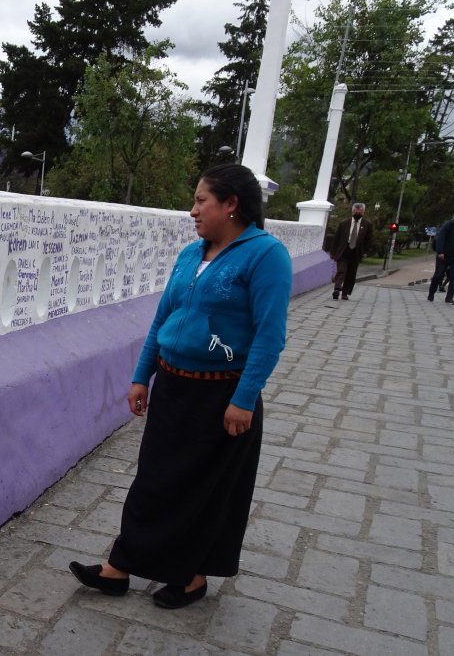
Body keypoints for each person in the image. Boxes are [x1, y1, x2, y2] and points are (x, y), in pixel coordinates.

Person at [68, 164, 292, 609]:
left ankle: (192, 576)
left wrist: (244, 399)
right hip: (173, 386)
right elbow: (163, 318)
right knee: (154, 481)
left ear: (231, 204)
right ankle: (119, 567)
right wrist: (142, 376)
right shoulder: (191, 254)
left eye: (201, 200)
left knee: (203, 490)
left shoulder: (266, 256)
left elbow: (270, 335)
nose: (193, 210)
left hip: (222, 395)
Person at [328, 202, 372, 300]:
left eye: (359, 212)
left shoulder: (367, 224)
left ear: (363, 213)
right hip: (343, 250)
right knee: (341, 270)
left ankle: (345, 293)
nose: (357, 213)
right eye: (355, 212)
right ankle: (337, 289)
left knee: (351, 273)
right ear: (352, 212)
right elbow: (336, 238)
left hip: (356, 252)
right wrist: (333, 252)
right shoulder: (344, 223)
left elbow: (368, 240)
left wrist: (366, 252)